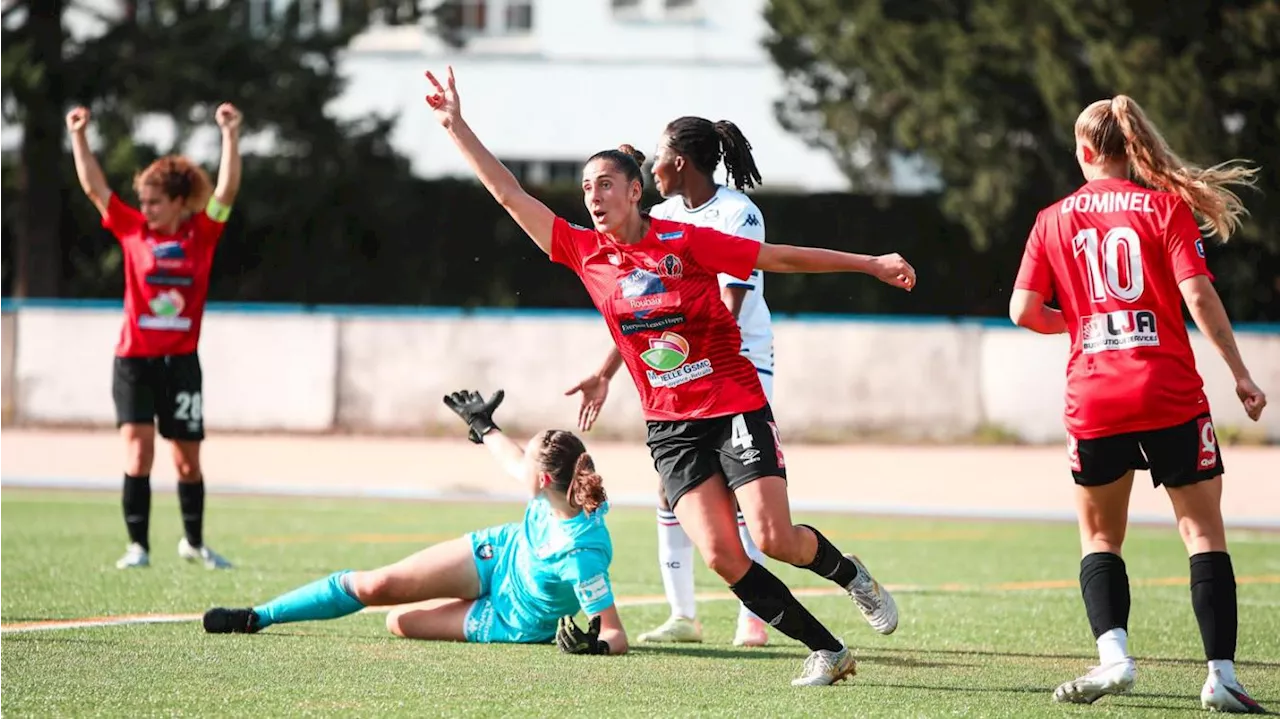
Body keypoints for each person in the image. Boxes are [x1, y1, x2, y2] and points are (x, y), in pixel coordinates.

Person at [424, 66, 914, 686]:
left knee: (774, 536)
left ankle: (852, 577)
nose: (593, 197)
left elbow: (779, 258)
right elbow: (509, 195)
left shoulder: (688, 240)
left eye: (605, 184)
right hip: (670, 426)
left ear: (635, 191)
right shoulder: (584, 252)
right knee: (721, 555)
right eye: (584, 189)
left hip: (732, 400)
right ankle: (827, 650)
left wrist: (871, 263)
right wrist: (455, 126)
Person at [1009, 95, 1268, 713]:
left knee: (1100, 537)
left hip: (1095, 397)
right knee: (1202, 532)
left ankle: (1115, 658)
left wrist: (1083, 324)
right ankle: (1222, 676)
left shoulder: (1052, 218)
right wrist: (1240, 374)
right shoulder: (1164, 208)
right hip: (1169, 391)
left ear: (1085, 151)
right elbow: (1199, 298)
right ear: (1134, 149)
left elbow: (1021, 310)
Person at [203, 389, 629, 655]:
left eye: (527, 461)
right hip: (498, 554)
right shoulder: (555, 488)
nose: (518, 460)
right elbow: (513, 457)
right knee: (376, 587)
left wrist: (595, 647)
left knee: (397, 622)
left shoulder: (581, 552)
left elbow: (614, 633)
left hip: (511, 617)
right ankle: (257, 616)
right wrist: (484, 425)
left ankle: (450, 603)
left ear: (543, 480)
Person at [564, 116, 777, 648]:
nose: (654, 167)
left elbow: (720, 307)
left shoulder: (737, 214)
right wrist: (606, 372)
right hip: (679, 365)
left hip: (736, 362)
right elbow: (647, 307)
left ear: (679, 162)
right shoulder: (658, 215)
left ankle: (754, 614)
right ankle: (684, 614)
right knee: (670, 488)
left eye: (658, 156)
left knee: (737, 491)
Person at [67, 103, 242, 571]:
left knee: (187, 460)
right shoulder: (131, 231)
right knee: (138, 451)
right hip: (134, 361)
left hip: (181, 363)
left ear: (179, 203)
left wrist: (229, 134)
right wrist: (79, 136)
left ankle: (194, 542)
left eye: (154, 202)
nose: (145, 209)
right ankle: (138, 546)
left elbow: (225, 191)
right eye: (142, 202)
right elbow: (95, 188)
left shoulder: (201, 234)